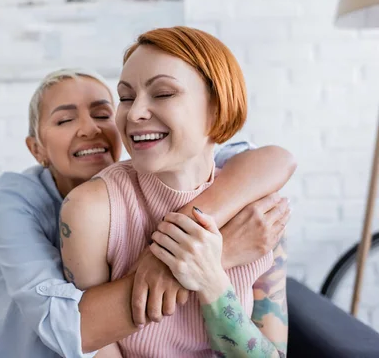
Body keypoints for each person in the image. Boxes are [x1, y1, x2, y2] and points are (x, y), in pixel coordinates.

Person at [0, 67, 294, 358]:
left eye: (103, 114)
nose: (89, 128)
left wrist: (181, 241)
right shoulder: (15, 197)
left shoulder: (156, 172)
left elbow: (271, 159)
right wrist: (210, 256)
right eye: (65, 119)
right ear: (36, 149)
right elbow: (64, 324)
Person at [61, 27, 294, 358]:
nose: (135, 112)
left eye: (163, 93)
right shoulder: (91, 208)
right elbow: (92, 344)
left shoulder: (259, 212)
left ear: (216, 107)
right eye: (126, 97)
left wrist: (211, 280)